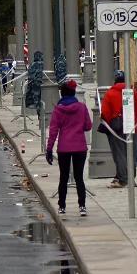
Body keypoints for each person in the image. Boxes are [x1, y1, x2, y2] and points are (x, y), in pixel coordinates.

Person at [47, 80, 93, 216]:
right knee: (79, 177)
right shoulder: (82, 107)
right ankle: (82, 206)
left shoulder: (58, 109)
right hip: (80, 146)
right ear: (73, 93)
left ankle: (62, 206)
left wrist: (49, 149)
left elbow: (53, 131)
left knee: (64, 177)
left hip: (64, 147)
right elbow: (88, 126)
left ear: (61, 94)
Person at [100, 70, 137, 189]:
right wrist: (134, 119)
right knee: (131, 152)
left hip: (116, 127)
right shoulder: (132, 92)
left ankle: (123, 179)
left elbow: (105, 112)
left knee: (119, 153)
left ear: (115, 80)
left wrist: (110, 122)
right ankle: (131, 178)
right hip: (132, 125)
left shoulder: (110, 93)